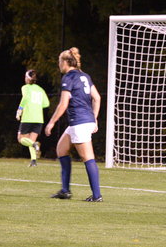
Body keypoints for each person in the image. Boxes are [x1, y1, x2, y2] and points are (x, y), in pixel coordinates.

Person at [45, 47, 103, 202]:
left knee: (88, 158)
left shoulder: (68, 78)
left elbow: (63, 104)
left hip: (79, 122)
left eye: (59, 61)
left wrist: (51, 122)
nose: (59, 64)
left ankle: (97, 196)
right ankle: (65, 191)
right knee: (61, 149)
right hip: (81, 122)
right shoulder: (84, 76)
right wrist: (94, 117)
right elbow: (97, 98)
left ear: (65, 62)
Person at [16, 69, 50, 167]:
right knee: (31, 140)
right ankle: (34, 161)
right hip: (39, 119)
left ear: (28, 78)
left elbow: (25, 98)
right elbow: (46, 104)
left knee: (21, 139)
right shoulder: (40, 89)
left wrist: (19, 110)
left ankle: (35, 145)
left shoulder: (25, 87)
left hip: (28, 117)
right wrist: (37, 106)